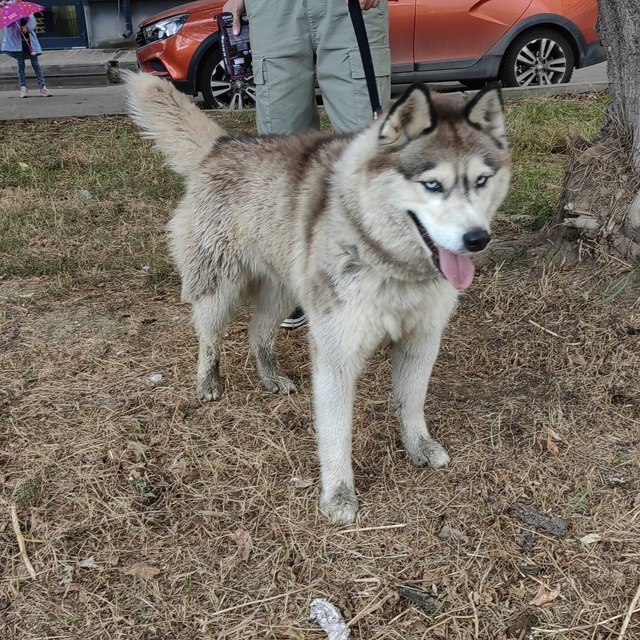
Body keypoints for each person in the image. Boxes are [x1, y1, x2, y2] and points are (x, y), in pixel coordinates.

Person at [222, 0, 390, 327]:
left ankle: (369, 279)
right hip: (273, 9)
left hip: (347, 7)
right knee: (283, 155)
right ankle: (295, 284)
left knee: (363, 145)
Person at [1, 0, 52, 98]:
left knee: (36, 64)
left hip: (29, 41)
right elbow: (7, 24)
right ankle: (23, 88)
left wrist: (26, 27)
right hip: (16, 43)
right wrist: (11, 17)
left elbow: (32, 21)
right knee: (21, 65)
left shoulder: (24, 7)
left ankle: (43, 87)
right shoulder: (7, 8)